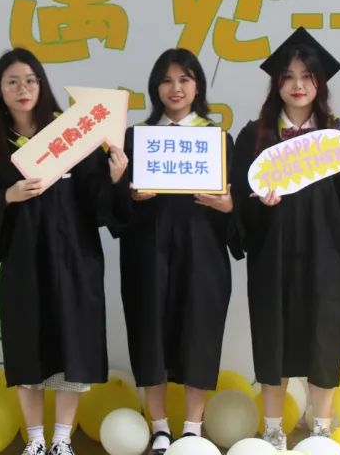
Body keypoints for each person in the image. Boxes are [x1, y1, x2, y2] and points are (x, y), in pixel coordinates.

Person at [231, 29, 340, 450]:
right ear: (276, 84)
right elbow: (239, 200)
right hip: (273, 253)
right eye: (288, 76)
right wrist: (258, 203)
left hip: (328, 253)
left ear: (320, 83)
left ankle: (321, 428)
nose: (298, 85)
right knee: (274, 335)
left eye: (307, 76)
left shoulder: (336, 136)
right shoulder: (256, 136)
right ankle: (273, 430)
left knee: (325, 335)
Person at [0, 48, 128, 455]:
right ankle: (36, 440)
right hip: (24, 262)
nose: (22, 89)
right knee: (28, 346)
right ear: (0, 90)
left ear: (41, 86)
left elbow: (95, 197)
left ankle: (61, 439)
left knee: (73, 345)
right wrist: (9, 195)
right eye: (12, 82)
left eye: (30, 80)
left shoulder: (70, 135)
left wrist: (114, 177)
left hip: (73, 258)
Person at [111, 48, 237, 455]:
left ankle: (192, 428)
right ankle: (160, 427)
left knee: (200, 332)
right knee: (149, 332)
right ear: (155, 88)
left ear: (198, 86)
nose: (175, 88)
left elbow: (238, 206)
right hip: (147, 253)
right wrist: (128, 193)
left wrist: (229, 207)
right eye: (166, 80)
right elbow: (114, 206)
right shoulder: (136, 139)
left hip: (202, 253)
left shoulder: (218, 140)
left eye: (184, 79)